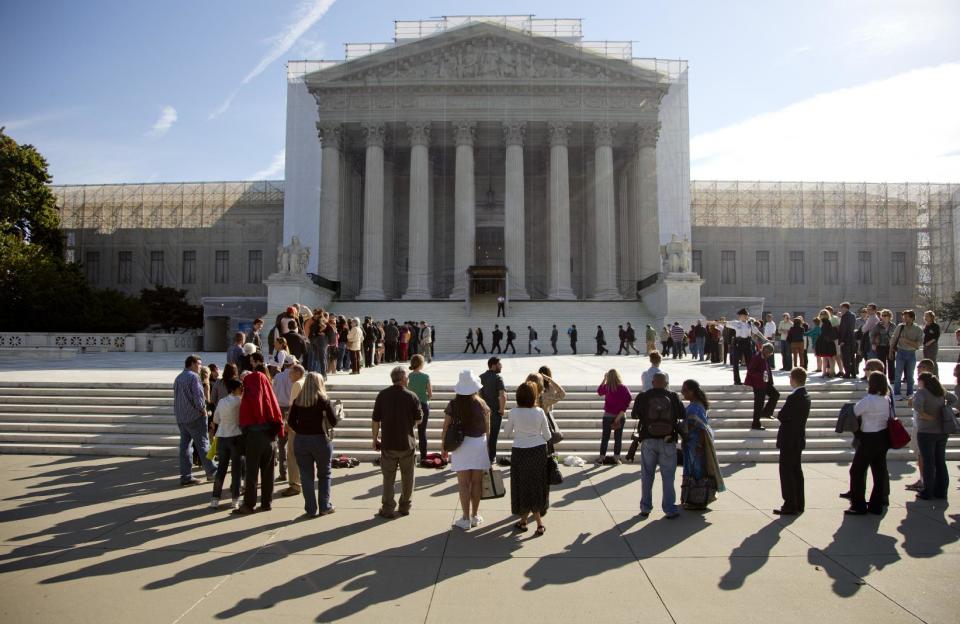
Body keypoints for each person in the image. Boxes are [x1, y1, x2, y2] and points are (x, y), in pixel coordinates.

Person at [442, 370, 491, 530]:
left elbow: (446, 427)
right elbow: (488, 428)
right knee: (476, 482)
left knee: (463, 483)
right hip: (479, 443)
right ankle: (475, 515)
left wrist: (444, 447)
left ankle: (465, 518)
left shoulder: (453, 404)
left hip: (460, 444)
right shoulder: (482, 403)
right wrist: (487, 445)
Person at [632, 372, 684, 518]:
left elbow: (634, 415)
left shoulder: (644, 396)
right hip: (668, 440)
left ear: (653, 382)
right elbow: (682, 414)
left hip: (648, 439)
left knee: (647, 475)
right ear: (666, 383)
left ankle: (645, 507)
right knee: (668, 477)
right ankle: (669, 509)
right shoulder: (673, 397)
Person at [372, 366, 422, 518]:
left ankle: (387, 508)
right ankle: (405, 506)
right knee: (408, 476)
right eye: (407, 377)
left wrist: (374, 439)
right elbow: (418, 419)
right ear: (403, 379)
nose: (408, 379)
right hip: (407, 443)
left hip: (388, 443)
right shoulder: (412, 396)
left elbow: (375, 420)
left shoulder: (382, 395)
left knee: (388, 477)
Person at [234, 364, 284, 514]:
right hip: (269, 437)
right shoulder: (269, 393)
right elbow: (276, 414)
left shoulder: (249, 392)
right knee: (268, 472)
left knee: (251, 472)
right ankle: (266, 502)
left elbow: (244, 418)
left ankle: (249, 504)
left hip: (254, 437)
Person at [504, 381, 551, 535]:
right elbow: (548, 435)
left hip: (520, 451)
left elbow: (506, 433)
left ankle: (527, 521)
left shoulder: (514, 412)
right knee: (536, 485)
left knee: (522, 485)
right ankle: (533, 522)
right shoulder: (539, 412)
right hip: (538, 451)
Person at [289, 372, 337, 517]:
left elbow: (291, 422)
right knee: (324, 473)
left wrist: (300, 430)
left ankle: (310, 508)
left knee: (306, 476)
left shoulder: (298, 400)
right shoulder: (323, 400)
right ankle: (324, 506)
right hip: (320, 439)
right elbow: (333, 421)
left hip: (302, 439)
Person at [846, 372, 892, 515]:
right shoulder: (886, 400)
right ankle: (876, 505)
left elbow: (855, 411)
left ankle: (858, 505)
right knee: (879, 473)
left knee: (857, 471)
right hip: (883, 437)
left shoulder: (869, 400)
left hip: (869, 438)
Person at [680, 379, 724, 511]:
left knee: (697, 472)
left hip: (696, 445)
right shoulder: (696, 405)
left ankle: (698, 499)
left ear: (692, 392)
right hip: (691, 444)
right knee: (692, 470)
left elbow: (702, 428)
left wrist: (700, 444)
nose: (683, 392)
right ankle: (691, 498)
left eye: (685, 390)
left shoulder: (696, 407)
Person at [173, 355, 217, 486]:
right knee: (203, 444)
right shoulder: (193, 377)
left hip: (181, 417)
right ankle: (212, 472)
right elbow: (198, 396)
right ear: (192, 364)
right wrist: (203, 410)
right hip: (194, 416)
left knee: (185, 447)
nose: (200, 367)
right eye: (198, 364)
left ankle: (186, 476)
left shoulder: (179, 377)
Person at [774, 368, 810, 515]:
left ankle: (790, 503)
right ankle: (798, 503)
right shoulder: (806, 395)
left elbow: (782, 415)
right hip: (798, 438)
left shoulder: (794, 397)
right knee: (796, 471)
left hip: (789, 439)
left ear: (793, 379)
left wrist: (784, 417)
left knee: (787, 471)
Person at [911, 372, 949, 500]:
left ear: (923, 381)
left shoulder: (922, 392)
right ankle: (942, 491)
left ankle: (927, 491)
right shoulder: (940, 392)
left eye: (919, 379)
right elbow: (954, 398)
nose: (918, 382)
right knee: (940, 462)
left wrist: (925, 415)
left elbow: (917, 407)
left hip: (926, 432)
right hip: (941, 432)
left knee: (928, 462)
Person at [210, 378, 243, 509]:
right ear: (235, 389)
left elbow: (216, 419)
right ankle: (235, 498)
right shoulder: (240, 401)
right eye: (241, 387)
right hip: (235, 436)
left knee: (221, 470)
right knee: (236, 470)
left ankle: (215, 498)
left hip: (222, 436)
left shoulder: (222, 401)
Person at [272, 360, 305, 496]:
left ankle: (295, 484)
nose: (289, 376)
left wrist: (287, 423)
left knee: (290, 453)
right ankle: (299, 481)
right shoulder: (306, 382)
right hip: (304, 424)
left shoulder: (297, 384)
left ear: (297, 373)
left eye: (291, 373)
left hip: (295, 424)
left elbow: (292, 407)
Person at [596, 369, 632, 464]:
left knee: (605, 437)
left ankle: (601, 458)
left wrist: (604, 379)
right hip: (620, 416)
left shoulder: (607, 387)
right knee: (618, 438)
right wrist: (620, 414)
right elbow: (628, 400)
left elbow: (599, 391)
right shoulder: (623, 387)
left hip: (608, 415)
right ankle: (616, 458)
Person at [891, 309, 923, 400]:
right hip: (900, 352)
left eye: (906, 317)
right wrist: (890, 351)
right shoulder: (900, 327)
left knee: (910, 375)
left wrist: (906, 340)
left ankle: (910, 393)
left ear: (912, 318)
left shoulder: (918, 329)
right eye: (903, 316)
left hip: (911, 353)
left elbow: (918, 344)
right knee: (898, 374)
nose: (904, 318)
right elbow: (893, 340)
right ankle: (897, 393)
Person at [746, 343, 780, 430]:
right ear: (764, 350)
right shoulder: (757, 357)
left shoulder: (764, 357)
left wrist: (770, 381)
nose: (769, 354)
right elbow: (750, 371)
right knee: (759, 403)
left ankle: (767, 413)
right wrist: (761, 375)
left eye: (770, 353)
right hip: (758, 384)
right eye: (768, 352)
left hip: (766, 383)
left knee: (775, 395)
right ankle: (756, 423)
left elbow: (767, 370)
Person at [479, 357, 507, 462]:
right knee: (493, 435)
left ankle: (482, 456)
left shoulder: (480, 377)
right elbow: (503, 395)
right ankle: (491, 457)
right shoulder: (498, 378)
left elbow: (478, 394)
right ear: (493, 365)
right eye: (499, 364)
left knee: (483, 435)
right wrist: (502, 409)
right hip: (495, 412)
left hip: (482, 412)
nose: (501, 366)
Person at [407, 354, 433, 462]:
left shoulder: (408, 376)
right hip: (422, 405)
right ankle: (423, 457)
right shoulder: (426, 377)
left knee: (409, 431)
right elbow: (430, 395)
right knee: (422, 432)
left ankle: (410, 456)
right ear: (421, 364)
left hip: (410, 406)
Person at [870, 309, 896, 383]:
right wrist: (873, 343)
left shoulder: (893, 325)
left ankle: (892, 378)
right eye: (883, 315)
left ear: (890, 316)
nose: (884, 317)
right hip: (881, 346)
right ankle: (882, 378)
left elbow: (896, 336)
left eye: (886, 315)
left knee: (891, 362)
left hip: (890, 347)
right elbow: (872, 335)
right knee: (882, 363)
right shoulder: (878, 325)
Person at [816, 309, 838, 377]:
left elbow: (825, 333)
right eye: (821, 314)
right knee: (827, 358)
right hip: (827, 341)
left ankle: (830, 372)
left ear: (826, 315)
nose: (822, 315)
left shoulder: (825, 322)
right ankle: (826, 372)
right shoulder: (825, 322)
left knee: (828, 358)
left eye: (824, 314)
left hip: (826, 342)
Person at [838, 302, 858, 379]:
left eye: (842, 308)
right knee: (852, 357)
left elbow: (843, 329)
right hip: (852, 339)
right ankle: (853, 373)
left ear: (845, 308)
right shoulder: (853, 315)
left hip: (845, 340)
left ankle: (847, 373)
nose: (841, 309)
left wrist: (841, 340)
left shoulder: (844, 316)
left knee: (846, 358)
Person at [922, 311, 940, 376]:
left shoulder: (935, 326)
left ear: (932, 317)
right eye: (925, 316)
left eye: (927, 316)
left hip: (932, 346)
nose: (925, 317)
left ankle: (935, 377)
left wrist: (929, 343)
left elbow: (936, 337)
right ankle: (928, 376)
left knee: (932, 361)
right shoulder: (925, 326)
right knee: (926, 362)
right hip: (925, 346)